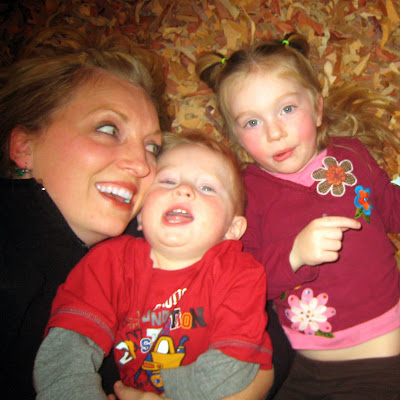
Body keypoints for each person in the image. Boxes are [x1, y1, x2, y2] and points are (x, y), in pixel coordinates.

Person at [196, 32, 400, 399]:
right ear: (236, 137)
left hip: (382, 364)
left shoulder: (352, 155)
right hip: (299, 370)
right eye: (252, 122)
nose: (275, 132)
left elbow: (391, 208)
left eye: (287, 109)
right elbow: (242, 281)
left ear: (318, 109)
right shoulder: (245, 194)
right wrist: (294, 254)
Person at [33, 130, 274, 400]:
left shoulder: (240, 273)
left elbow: (235, 363)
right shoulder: (109, 262)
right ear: (140, 214)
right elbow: (66, 352)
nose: (183, 189)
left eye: (207, 187)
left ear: (232, 228)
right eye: (168, 181)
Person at [0, 27, 165, 400]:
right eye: (108, 129)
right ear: (24, 147)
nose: (142, 165)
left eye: (152, 147)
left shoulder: (145, 251)